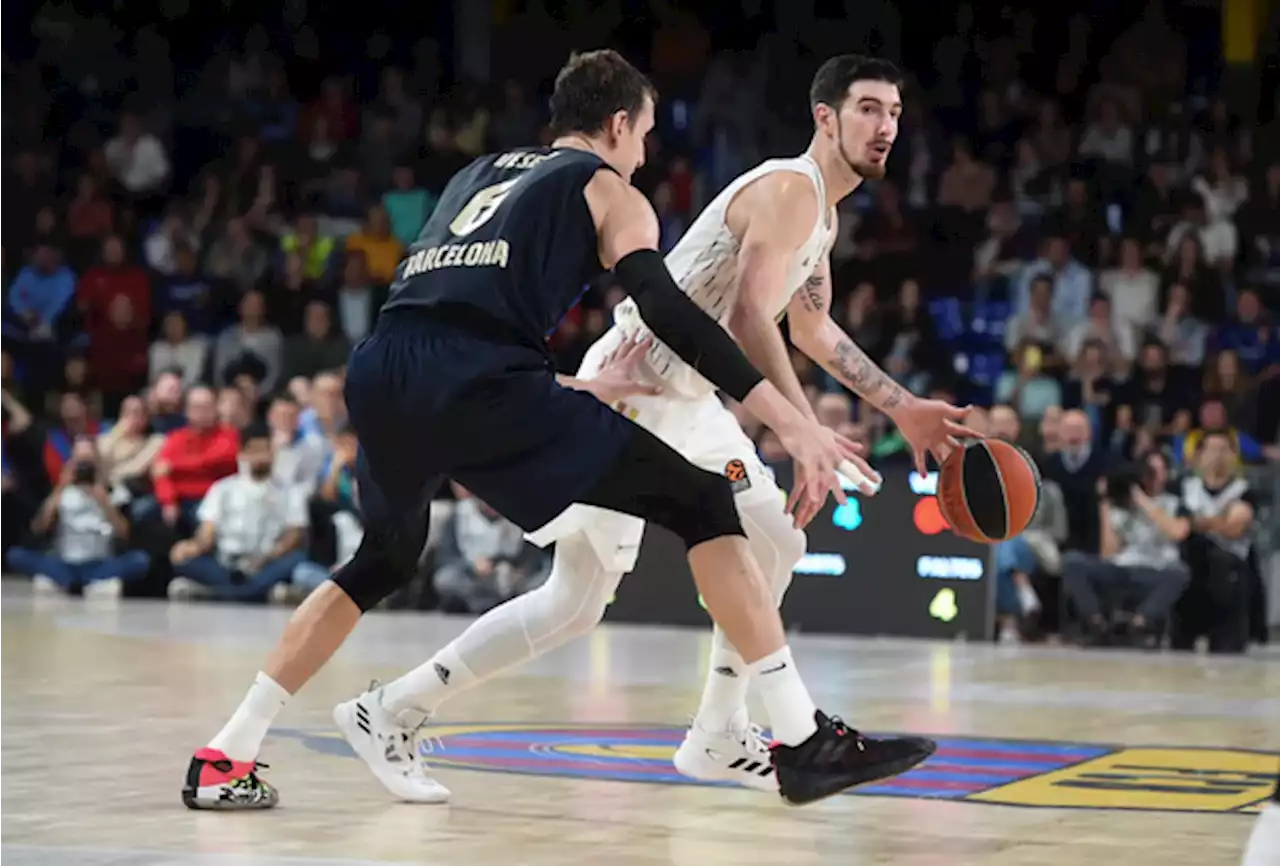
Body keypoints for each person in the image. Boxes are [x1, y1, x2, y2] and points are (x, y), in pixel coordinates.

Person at [184, 50, 949, 813]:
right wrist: (791, 421)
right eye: (645, 134)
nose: (647, 153)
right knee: (702, 510)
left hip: (388, 365)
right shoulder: (618, 190)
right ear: (618, 125)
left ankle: (231, 751)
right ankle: (797, 737)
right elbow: (671, 307)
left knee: (392, 562)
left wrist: (557, 382)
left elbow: (446, 306)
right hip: (605, 385)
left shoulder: (477, 175)